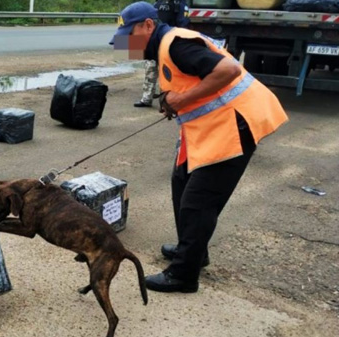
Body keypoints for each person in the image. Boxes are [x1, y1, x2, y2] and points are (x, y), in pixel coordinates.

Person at [110, 2, 288, 293]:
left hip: (236, 123)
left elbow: (229, 70)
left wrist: (181, 100)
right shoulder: (165, 48)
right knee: (181, 181)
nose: (127, 44)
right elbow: (191, 82)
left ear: (148, 26)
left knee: (198, 200)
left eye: (129, 35)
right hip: (211, 126)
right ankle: (193, 250)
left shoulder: (176, 44)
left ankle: (184, 275)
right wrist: (176, 101)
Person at [135, 0, 190, 108]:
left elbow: (183, 22)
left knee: (167, 73)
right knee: (150, 69)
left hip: (170, 40)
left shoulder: (179, 3)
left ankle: (166, 101)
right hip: (154, 40)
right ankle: (146, 98)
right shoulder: (157, 3)